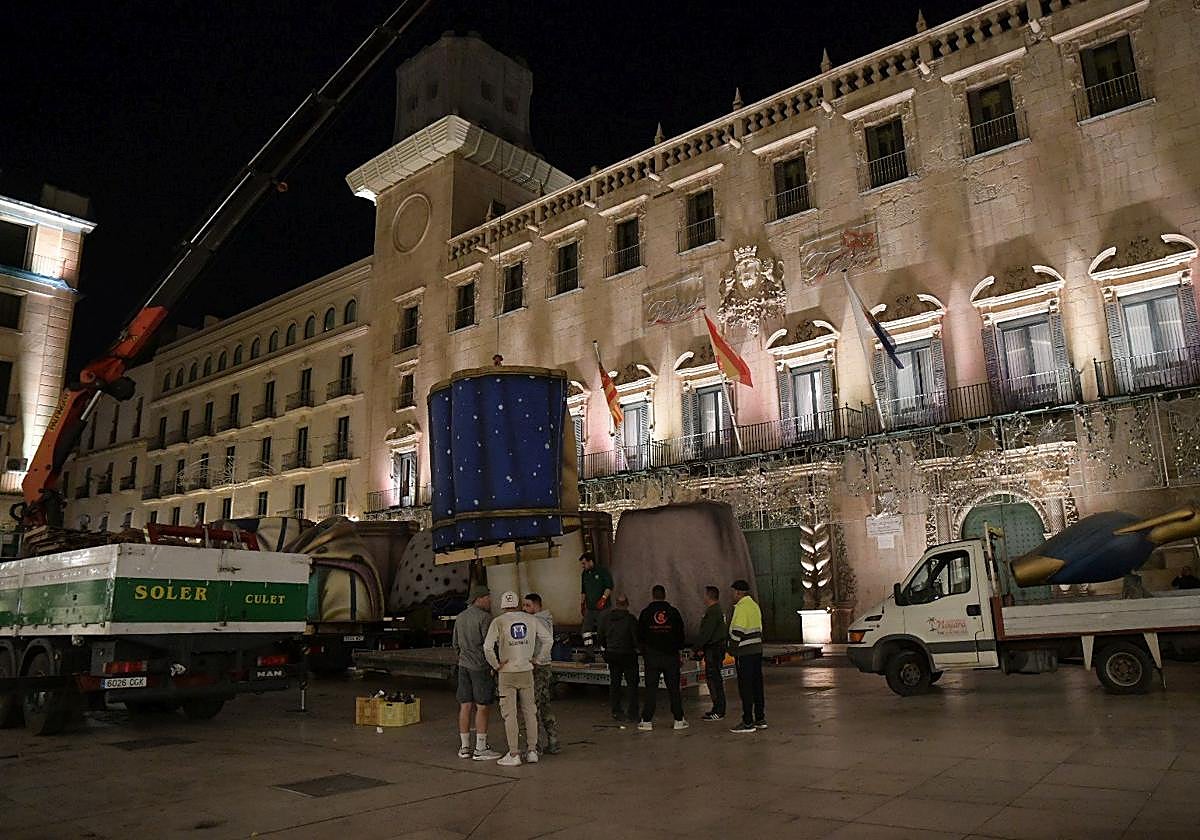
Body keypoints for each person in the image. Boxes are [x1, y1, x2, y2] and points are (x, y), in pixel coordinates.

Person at [483, 590, 553, 767]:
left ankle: (514, 753)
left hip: (507, 673)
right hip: (526, 671)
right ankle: (532, 751)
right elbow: (548, 640)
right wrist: (537, 659)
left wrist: (496, 664)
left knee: (510, 714)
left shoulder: (498, 621)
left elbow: (487, 647)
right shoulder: (532, 620)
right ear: (517, 603)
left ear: (503, 605)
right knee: (530, 711)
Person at [451, 586, 501, 760]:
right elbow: (489, 646)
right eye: (488, 597)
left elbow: (455, 644)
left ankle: (464, 747)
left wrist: (463, 658)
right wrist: (494, 666)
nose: (490, 601)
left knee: (465, 705)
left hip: (463, 666)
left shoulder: (460, 617)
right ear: (478, 598)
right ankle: (480, 747)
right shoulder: (485, 618)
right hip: (480, 667)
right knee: (482, 706)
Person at [636, 584, 687, 731]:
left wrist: (645, 652)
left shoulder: (645, 613)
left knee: (650, 689)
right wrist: (678, 651)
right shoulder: (673, 612)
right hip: (671, 657)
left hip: (652, 657)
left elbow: (640, 636)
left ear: (653, 596)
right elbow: (681, 634)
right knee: (673, 689)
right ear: (665, 595)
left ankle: (646, 721)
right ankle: (678, 720)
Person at [521, 593, 561, 754]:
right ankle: (553, 740)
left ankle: (535, 745)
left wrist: (537, 659)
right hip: (545, 666)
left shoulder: (536, 621)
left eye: (527, 605)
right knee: (544, 704)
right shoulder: (546, 619)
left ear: (537, 605)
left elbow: (546, 642)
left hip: (538, 667)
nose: (524, 608)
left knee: (533, 705)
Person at [727, 579, 765, 734]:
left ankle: (748, 721)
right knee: (757, 685)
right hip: (756, 650)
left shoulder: (741, 608)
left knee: (746, 687)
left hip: (745, 653)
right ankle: (760, 718)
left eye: (732, 592)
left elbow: (738, 631)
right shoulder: (754, 606)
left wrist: (732, 649)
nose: (732, 595)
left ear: (738, 592)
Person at [598, 593, 639, 721]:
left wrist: (607, 647)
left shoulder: (606, 618)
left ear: (616, 604)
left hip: (612, 654)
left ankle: (616, 711)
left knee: (615, 684)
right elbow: (636, 639)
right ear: (627, 604)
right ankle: (632, 713)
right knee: (632, 684)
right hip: (627, 654)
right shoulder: (630, 619)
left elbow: (600, 636)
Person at [694, 585, 728, 721]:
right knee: (714, 678)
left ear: (709, 596)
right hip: (715, 649)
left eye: (705, 595)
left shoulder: (713, 612)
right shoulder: (716, 610)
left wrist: (696, 648)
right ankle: (717, 708)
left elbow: (706, 633)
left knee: (714, 679)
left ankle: (719, 710)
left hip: (713, 649)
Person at [580, 555, 613, 658]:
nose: (583, 566)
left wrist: (603, 598)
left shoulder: (602, 571)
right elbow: (583, 591)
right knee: (586, 631)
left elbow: (609, 586)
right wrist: (582, 604)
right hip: (590, 608)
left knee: (602, 631)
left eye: (584, 563)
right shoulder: (584, 574)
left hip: (603, 608)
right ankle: (589, 654)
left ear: (590, 561)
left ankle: (606, 653)